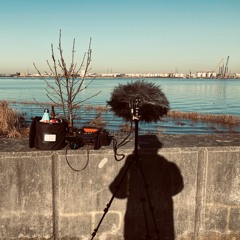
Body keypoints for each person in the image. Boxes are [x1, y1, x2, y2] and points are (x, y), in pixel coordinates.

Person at [110, 135, 184, 240]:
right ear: (157, 148)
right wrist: (161, 196)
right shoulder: (168, 166)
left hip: (137, 216)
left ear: (139, 147)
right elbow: (178, 186)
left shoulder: (132, 163)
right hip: (160, 216)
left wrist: (131, 193)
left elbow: (116, 189)